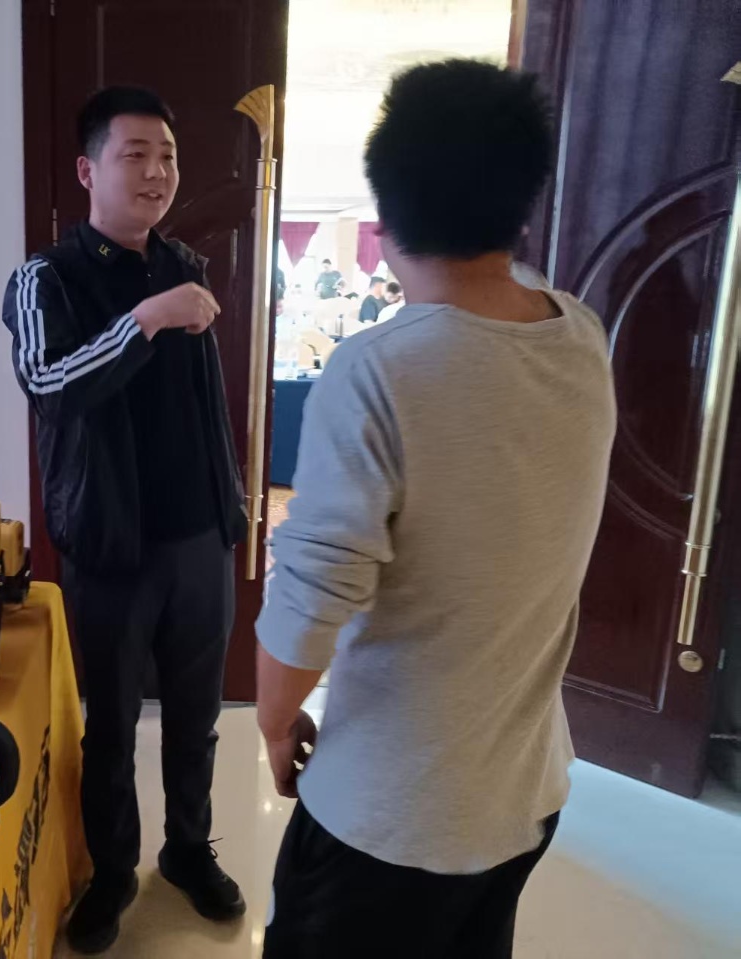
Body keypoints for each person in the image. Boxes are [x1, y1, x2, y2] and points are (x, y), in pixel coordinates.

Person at [255, 59, 616, 958]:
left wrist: (274, 720)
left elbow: (309, 598)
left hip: (390, 812)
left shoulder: (379, 369)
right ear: (522, 204)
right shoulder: (579, 336)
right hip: (522, 791)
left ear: (384, 219)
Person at [1, 86, 247, 955]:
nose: (155, 172)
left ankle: (187, 849)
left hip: (199, 537)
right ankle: (111, 872)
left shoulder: (185, 262)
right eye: (134, 154)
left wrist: (231, 508)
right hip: (109, 546)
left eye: (167, 156)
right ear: (87, 169)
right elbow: (49, 386)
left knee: (195, 715)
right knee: (109, 725)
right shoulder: (45, 278)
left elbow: (201, 408)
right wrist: (144, 319)